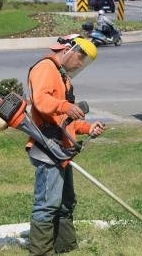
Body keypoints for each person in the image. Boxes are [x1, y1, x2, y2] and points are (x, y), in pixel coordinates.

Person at [26, 37, 105, 255]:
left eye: (85, 61)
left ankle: (65, 246)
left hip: (61, 148)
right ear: (68, 49)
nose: (80, 64)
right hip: (47, 147)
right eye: (80, 57)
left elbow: (65, 120)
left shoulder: (65, 79)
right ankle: (41, 251)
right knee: (47, 203)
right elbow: (40, 101)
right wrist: (65, 106)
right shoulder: (45, 67)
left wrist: (88, 128)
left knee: (65, 201)